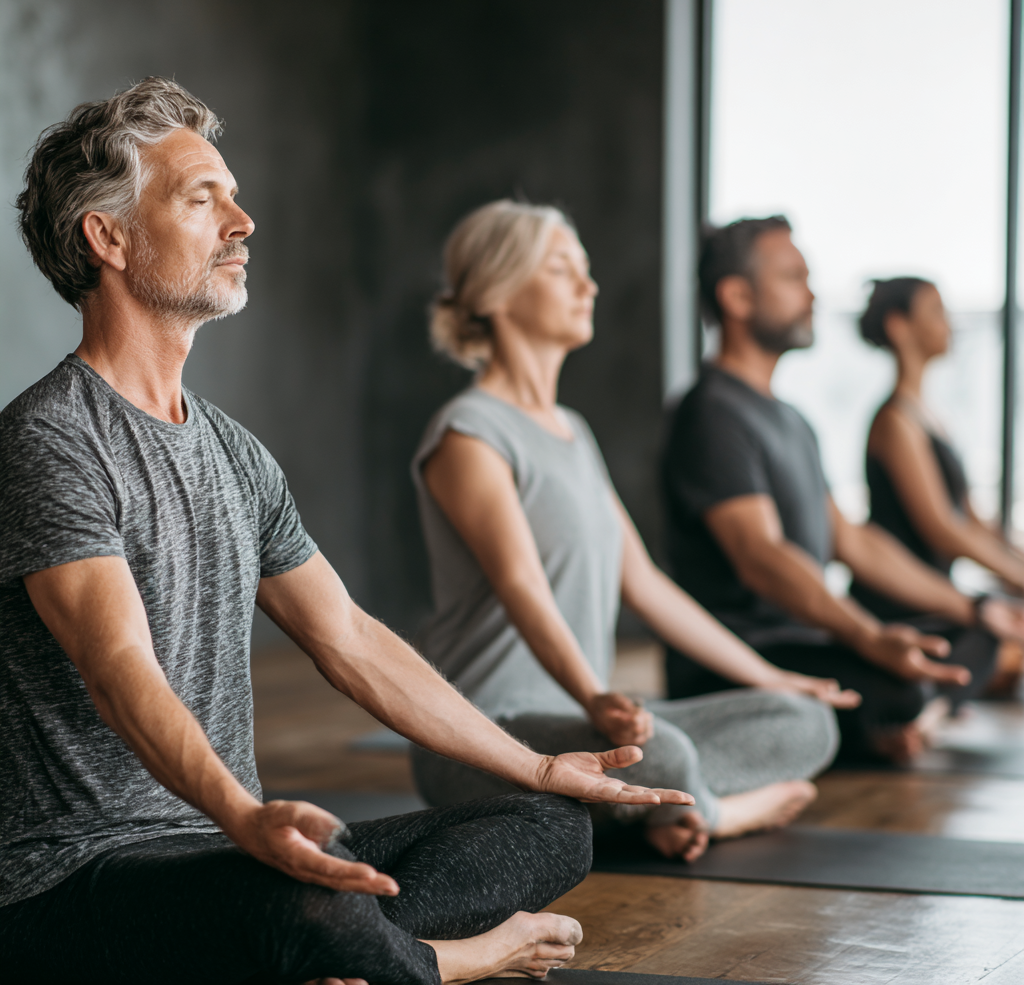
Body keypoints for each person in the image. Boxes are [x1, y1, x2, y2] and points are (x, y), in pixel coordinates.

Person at [0, 79, 694, 985]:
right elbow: (117, 664)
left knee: (547, 822)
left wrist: (536, 766)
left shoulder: (233, 454)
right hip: (74, 881)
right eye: (203, 199)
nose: (243, 222)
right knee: (304, 899)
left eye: (235, 197)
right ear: (109, 237)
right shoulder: (48, 441)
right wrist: (243, 818)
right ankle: (439, 963)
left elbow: (350, 639)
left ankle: (339, 955)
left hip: (221, 855)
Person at [410, 199, 855, 865]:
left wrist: (772, 676)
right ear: (498, 292)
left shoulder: (572, 432)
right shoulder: (470, 433)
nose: (588, 286)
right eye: (563, 270)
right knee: (665, 753)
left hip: (587, 723)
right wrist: (592, 692)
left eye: (585, 270)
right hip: (483, 736)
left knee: (804, 720)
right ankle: (714, 812)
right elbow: (521, 584)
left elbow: (645, 585)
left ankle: (647, 807)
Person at [662, 216, 1023, 764]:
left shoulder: (791, 419)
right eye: (793, 278)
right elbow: (761, 555)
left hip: (803, 638)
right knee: (902, 687)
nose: (811, 295)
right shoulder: (712, 412)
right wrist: (867, 634)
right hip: (741, 657)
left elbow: (851, 540)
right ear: (736, 296)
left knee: (971, 641)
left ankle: (895, 719)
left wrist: (971, 605)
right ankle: (895, 718)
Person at [853, 276, 1024, 692]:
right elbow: (942, 528)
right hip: (904, 600)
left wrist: (1017, 564)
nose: (947, 324)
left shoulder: (929, 417)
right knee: (992, 638)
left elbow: (974, 520)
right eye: (935, 312)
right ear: (899, 325)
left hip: (940, 593)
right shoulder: (895, 422)